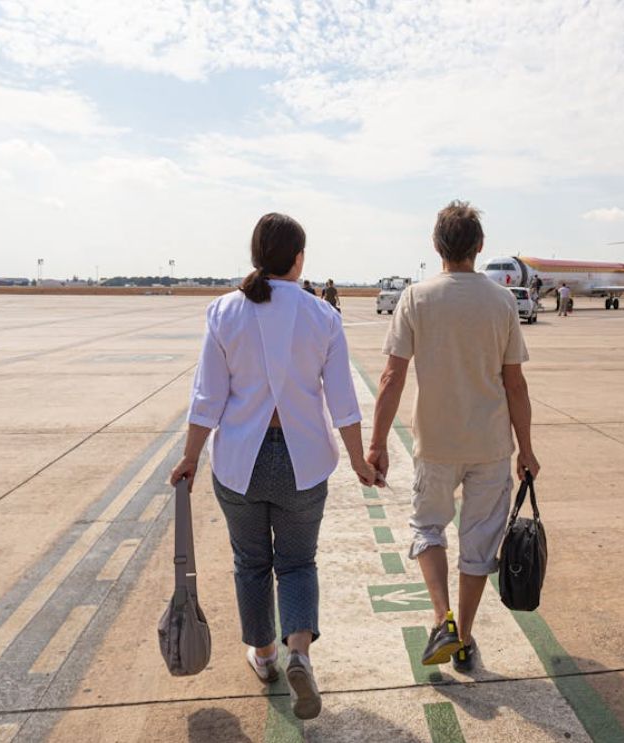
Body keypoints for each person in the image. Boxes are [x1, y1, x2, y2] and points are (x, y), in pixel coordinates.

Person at [169, 213, 379, 721]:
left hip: (240, 460)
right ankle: (300, 653)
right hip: (302, 461)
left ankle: (264, 656)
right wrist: (359, 459)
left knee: (251, 563)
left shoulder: (224, 312)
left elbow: (207, 397)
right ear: (299, 258)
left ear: (256, 255)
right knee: (298, 563)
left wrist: (191, 457)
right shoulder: (323, 316)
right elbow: (344, 401)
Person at [369, 200, 540, 674]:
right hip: (489, 446)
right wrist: (526, 449)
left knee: (428, 529)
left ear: (436, 246)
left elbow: (392, 377)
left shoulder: (415, 298)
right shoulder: (503, 301)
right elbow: (515, 384)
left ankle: (440, 617)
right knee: (479, 546)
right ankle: (463, 638)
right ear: (479, 247)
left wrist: (377, 443)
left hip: (436, 444)